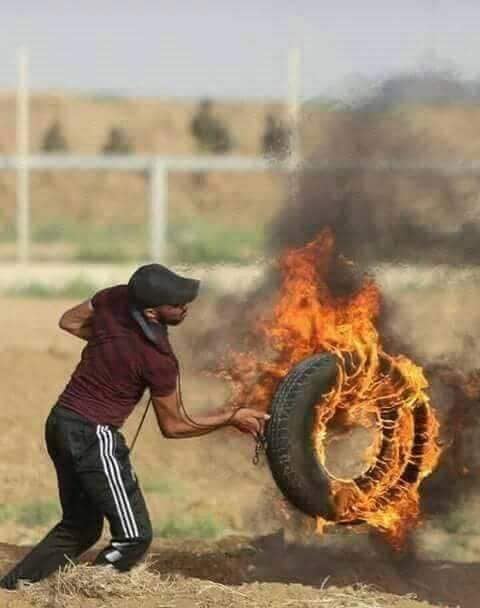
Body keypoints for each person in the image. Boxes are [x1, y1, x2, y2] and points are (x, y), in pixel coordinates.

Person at [0, 264, 268, 590]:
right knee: (133, 537)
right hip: (93, 436)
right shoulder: (157, 359)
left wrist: (108, 346)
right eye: (177, 305)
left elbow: (68, 320)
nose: (185, 308)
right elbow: (175, 424)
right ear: (153, 312)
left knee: (80, 527)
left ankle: (12, 589)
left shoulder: (114, 297)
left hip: (59, 422)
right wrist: (231, 416)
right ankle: (89, 590)